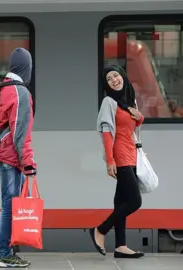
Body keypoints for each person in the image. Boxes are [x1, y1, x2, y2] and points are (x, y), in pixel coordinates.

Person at [0, 48, 36, 268]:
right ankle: (3, 253)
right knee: (11, 204)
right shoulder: (20, 92)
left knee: (10, 203)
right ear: (26, 68)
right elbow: (20, 132)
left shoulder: (3, 87)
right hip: (12, 156)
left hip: (2, 154)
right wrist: (28, 162)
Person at [90, 64, 144, 259]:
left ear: (122, 76)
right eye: (109, 79)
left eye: (116, 76)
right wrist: (110, 160)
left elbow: (131, 127)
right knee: (135, 201)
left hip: (131, 153)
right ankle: (100, 230)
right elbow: (106, 132)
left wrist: (140, 118)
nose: (114, 80)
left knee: (121, 200)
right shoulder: (108, 102)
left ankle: (120, 246)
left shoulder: (129, 100)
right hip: (119, 154)